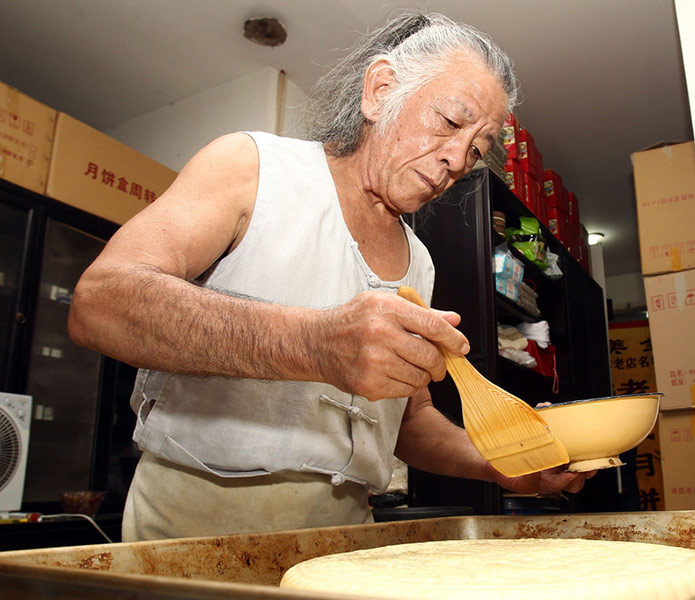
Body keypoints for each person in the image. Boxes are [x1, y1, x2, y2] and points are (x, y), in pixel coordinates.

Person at [68, 12, 592, 541]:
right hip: (196, 524)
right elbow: (102, 301)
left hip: (344, 532)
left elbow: (407, 422)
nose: (458, 159)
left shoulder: (420, 262)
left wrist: (501, 460)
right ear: (380, 90)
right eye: (451, 123)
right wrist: (315, 344)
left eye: (477, 149)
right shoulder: (252, 168)